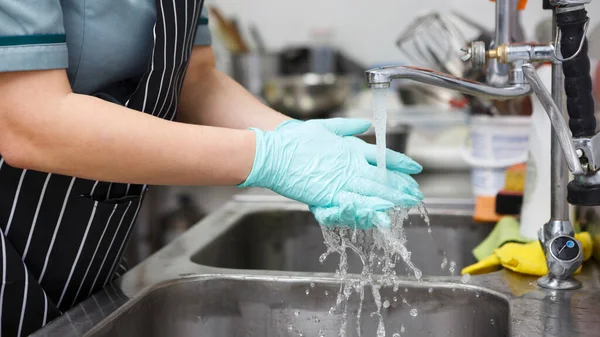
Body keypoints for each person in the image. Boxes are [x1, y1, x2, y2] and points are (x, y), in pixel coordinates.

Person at [0, 0, 423, 335]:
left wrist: (298, 139)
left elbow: (195, 80)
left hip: (87, 256)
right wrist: (269, 158)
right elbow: (30, 121)